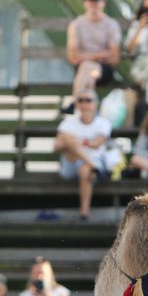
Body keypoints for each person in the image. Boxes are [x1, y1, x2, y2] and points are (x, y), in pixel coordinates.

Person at [54, 89, 113, 221]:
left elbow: (97, 143)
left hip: (90, 165)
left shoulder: (103, 123)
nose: (84, 103)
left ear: (96, 103)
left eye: (88, 100)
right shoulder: (68, 122)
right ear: (76, 104)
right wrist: (71, 142)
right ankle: (94, 167)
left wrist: (79, 141)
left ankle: (84, 213)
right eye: (81, 100)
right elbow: (56, 146)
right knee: (70, 142)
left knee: (85, 169)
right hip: (71, 165)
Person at [65, 0, 121, 96]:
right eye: (91, 1)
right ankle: (84, 102)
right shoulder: (76, 24)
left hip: (104, 70)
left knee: (87, 67)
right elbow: (73, 57)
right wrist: (102, 54)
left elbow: (114, 58)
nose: (93, 4)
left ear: (103, 3)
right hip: (84, 69)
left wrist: (85, 56)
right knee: (89, 76)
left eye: (96, 1)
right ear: (85, 3)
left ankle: (75, 102)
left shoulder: (111, 24)